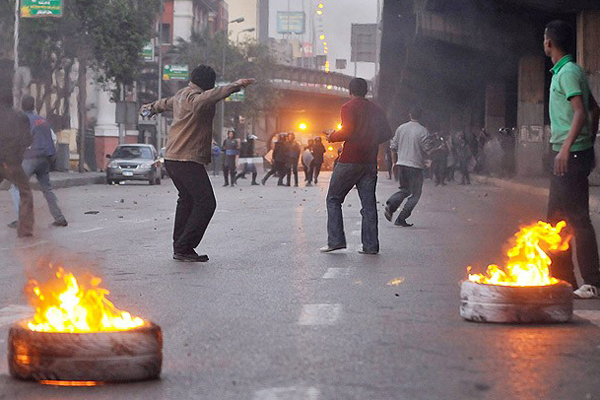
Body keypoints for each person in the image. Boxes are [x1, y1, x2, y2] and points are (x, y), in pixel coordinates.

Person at [142, 65, 255, 262]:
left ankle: (180, 246)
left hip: (172, 158)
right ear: (208, 83)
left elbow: (164, 103)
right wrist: (236, 85)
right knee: (206, 203)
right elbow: (213, 95)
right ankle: (185, 246)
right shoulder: (197, 99)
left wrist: (150, 108)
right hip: (187, 159)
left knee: (186, 200)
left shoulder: (180, 95)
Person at [543, 20, 600, 298]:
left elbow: (580, 111)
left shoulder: (566, 72)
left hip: (570, 153)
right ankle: (565, 279)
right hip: (576, 150)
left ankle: (589, 282)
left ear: (549, 42)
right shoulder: (567, 71)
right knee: (559, 219)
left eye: (545, 38)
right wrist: (587, 141)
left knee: (574, 219)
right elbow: (595, 108)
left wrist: (567, 148)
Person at [321, 77, 393, 254]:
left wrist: (332, 136)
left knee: (333, 199)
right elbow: (387, 133)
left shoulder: (348, 107)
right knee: (368, 205)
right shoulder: (377, 109)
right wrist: (371, 140)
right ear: (366, 91)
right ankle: (370, 246)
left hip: (350, 160)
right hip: (369, 161)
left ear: (350, 91)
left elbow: (348, 131)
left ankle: (336, 240)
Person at [8, 95, 68, 229]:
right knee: (47, 189)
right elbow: (53, 139)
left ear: (22, 106)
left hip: (31, 157)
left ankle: (22, 220)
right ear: (34, 106)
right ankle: (59, 217)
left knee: (16, 187)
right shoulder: (42, 120)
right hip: (46, 159)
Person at [384, 107, 433, 227]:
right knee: (415, 194)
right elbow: (428, 149)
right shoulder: (423, 131)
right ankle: (402, 217)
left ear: (409, 115)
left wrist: (394, 163)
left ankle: (392, 204)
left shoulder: (401, 128)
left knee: (404, 189)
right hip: (415, 166)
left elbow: (393, 146)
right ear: (420, 116)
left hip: (402, 165)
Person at [0, 91, 34, 238]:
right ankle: (24, 229)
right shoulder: (20, 117)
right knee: (25, 192)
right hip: (12, 162)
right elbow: (28, 140)